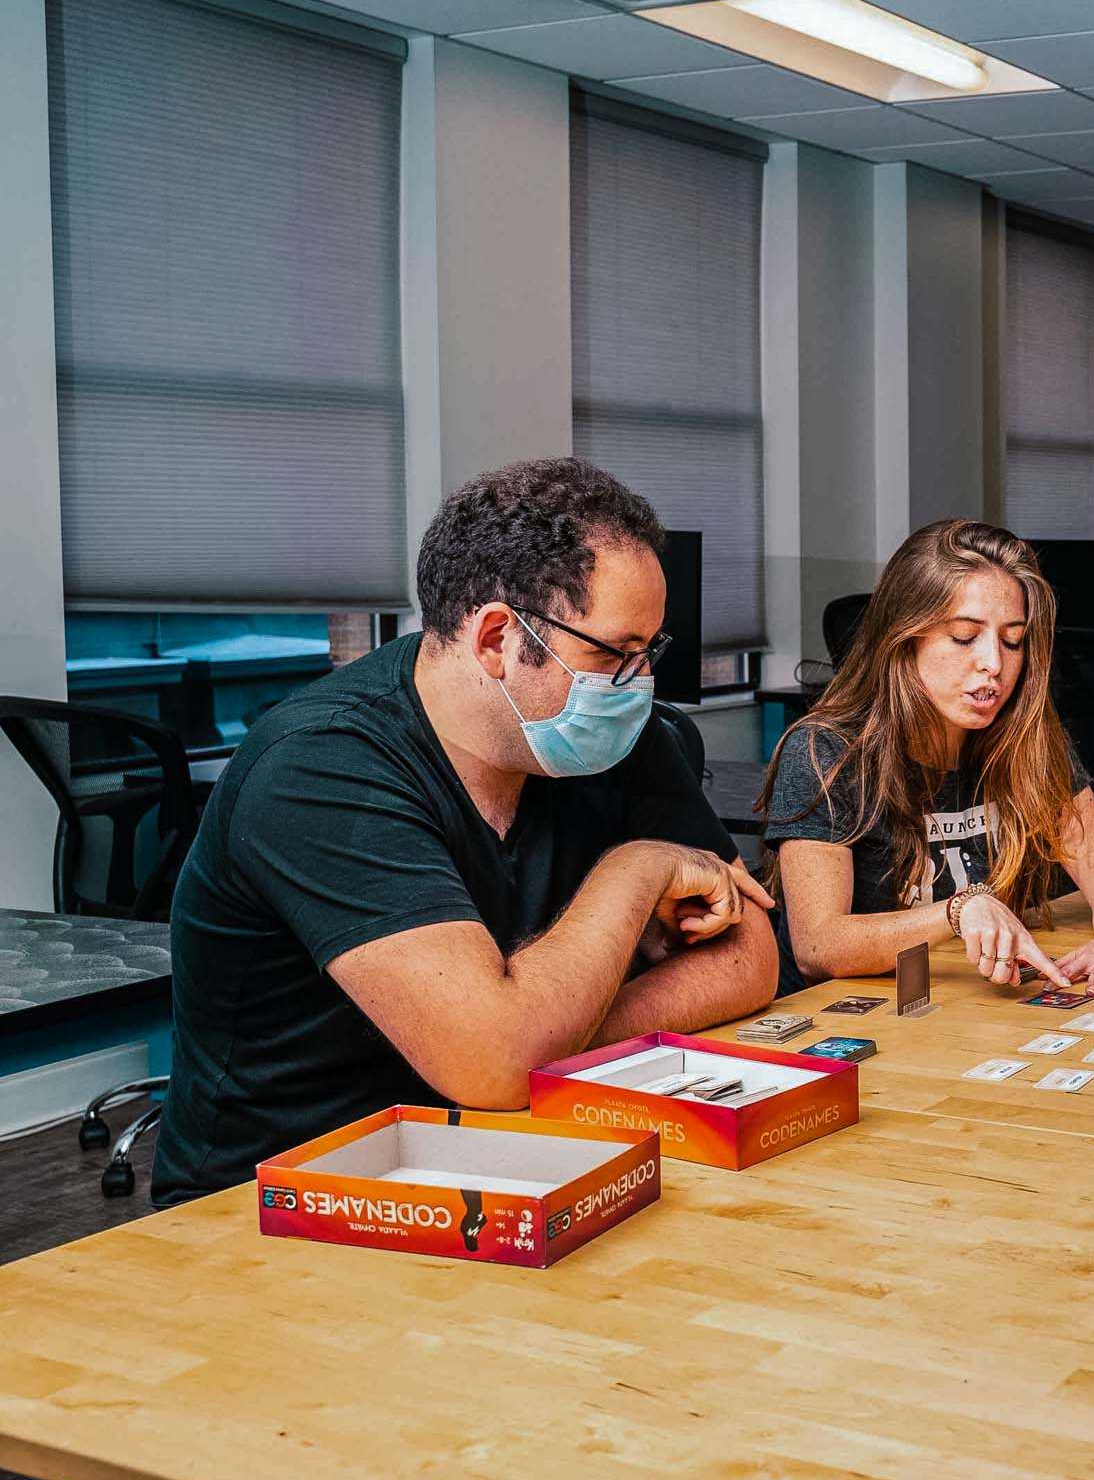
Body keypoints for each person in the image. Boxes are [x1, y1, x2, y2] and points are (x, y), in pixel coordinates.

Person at [153, 458, 778, 1206]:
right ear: (495, 639)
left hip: (511, 1157)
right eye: (615, 653)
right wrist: (636, 872)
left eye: (651, 652)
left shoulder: (608, 729)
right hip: (289, 1198)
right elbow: (496, 1058)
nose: (637, 682)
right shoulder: (321, 765)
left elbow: (752, 955)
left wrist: (553, 1026)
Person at [764, 520, 1094, 996]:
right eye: (965, 636)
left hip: (967, 1005)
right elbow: (818, 947)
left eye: (1013, 640)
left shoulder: (1027, 741)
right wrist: (959, 909)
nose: (994, 662)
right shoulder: (824, 750)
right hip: (846, 1022)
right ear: (904, 639)